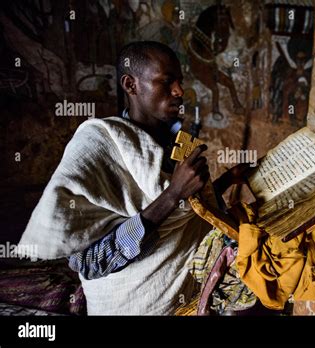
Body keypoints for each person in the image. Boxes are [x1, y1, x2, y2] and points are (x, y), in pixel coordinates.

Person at [18, 41, 247, 315]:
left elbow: (190, 211)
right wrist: (172, 194)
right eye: (167, 81)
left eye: (180, 81)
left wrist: (227, 180)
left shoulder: (174, 144)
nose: (179, 91)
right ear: (130, 85)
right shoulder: (98, 145)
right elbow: (90, 263)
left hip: (186, 305)